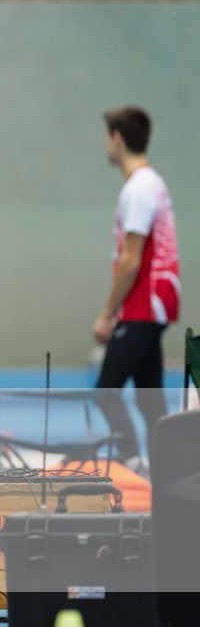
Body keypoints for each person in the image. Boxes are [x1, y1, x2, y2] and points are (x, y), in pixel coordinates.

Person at [94, 106, 180, 464]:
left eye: (107, 137)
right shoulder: (150, 184)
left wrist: (107, 313)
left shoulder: (139, 189)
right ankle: (168, 469)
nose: (105, 145)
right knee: (150, 399)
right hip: (152, 307)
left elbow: (131, 259)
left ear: (117, 138)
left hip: (143, 307)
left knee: (105, 392)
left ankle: (130, 461)